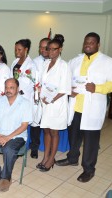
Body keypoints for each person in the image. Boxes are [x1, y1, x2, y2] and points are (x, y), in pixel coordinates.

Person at [56, 32, 112, 182]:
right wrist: (70, 90)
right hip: (75, 107)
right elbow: (67, 80)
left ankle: (89, 169)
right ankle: (72, 158)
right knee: (73, 137)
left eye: (92, 42)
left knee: (91, 142)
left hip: (92, 108)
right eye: (86, 42)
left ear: (98, 45)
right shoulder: (75, 61)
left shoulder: (109, 62)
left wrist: (98, 88)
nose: (88, 45)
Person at [0, 78, 32, 192]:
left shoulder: (25, 103)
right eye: (6, 87)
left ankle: (7, 177)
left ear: (18, 89)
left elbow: (24, 125)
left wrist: (7, 137)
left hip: (17, 136)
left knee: (8, 149)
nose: (8, 90)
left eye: (11, 87)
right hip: (0, 135)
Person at [37, 35, 71, 172]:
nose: (50, 52)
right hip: (45, 103)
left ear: (60, 49)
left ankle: (51, 159)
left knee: (54, 132)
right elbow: (43, 83)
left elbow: (65, 88)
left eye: (54, 49)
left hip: (56, 104)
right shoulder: (45, 64)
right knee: (46, 130)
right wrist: (41, 93)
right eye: (48, 49)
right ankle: (45, 157)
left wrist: (50, 99)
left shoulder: (64, 66)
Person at [30, 37, 50, 159]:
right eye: (40, 47)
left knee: (49, 125)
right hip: (36, 97)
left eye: (45, 47)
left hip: (49, 98)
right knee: (35, 125)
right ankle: (34, 148)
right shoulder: (34, 62)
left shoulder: (56, 62)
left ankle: (49, 149)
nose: (42, 49)